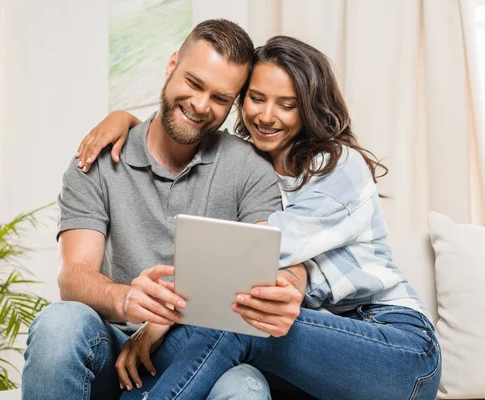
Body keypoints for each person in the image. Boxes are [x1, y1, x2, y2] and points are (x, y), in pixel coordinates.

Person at [75, 35, 442, 399]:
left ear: (310, 108)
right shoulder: (252, 168)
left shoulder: (336, 166)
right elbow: (174, 135)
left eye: (287, 105)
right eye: (256, 98)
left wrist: (159, 316)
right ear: (239, 99)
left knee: (237, 317)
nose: (266, 116)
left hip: (395, 345)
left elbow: (249, 258)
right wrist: (127, 121)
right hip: (306, 350)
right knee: (226, 333)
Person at [21, 20, 309, 400]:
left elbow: (279, 261)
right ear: (172, 65)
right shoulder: (97, 161)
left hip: (195, 350)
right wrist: (126, 298)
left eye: (220, 99)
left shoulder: (248, 168)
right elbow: (73, 276)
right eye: (193, 83)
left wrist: (291, 284)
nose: (201, 105)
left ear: (233, 105)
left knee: (244, 388)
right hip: (109, 345)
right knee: (59, 324)